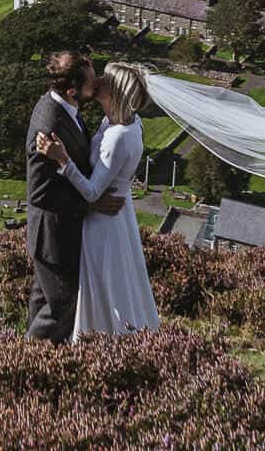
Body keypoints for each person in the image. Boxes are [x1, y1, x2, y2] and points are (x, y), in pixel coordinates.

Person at [37, 60, 162, 338]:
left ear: (115, 92)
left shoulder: (118, 135)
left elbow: (93, 191)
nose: (99, 80)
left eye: (106, 78)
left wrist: (62, 159)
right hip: (116, 214)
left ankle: (98, 342)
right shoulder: (124, 121)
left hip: (102, 224)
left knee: (100, 284)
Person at [22, 51, 125, 341]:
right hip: (53, 232)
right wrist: (91, 203)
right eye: (92, 81)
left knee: (44, 298)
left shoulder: (64, 106)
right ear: (72, 90)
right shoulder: (50, 126)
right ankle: (32, 359)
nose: (99, 83)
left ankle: (32, 359)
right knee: (63, 303)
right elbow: (40, 193)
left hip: (58, 229)